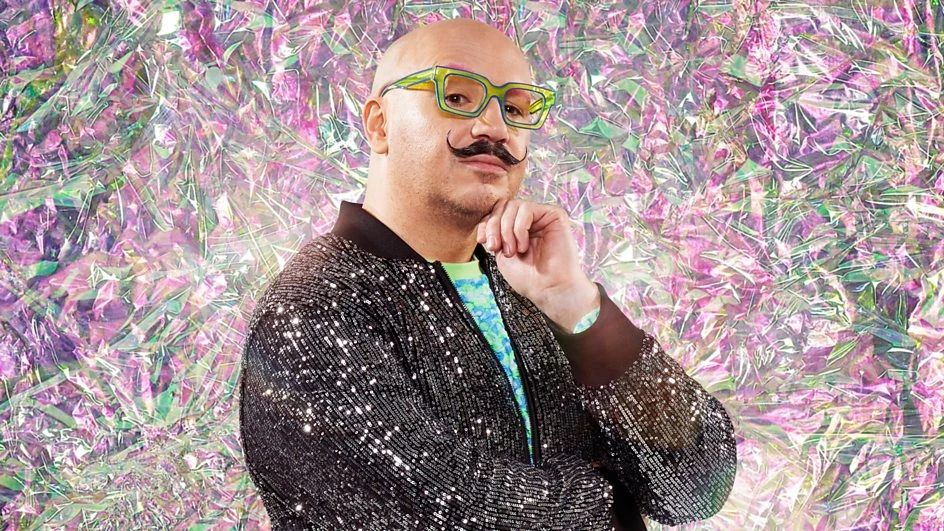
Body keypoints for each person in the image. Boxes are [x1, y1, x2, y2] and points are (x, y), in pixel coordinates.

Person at [239, 18, 737, 530]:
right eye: (456, 97)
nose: (495, 128)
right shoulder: (313, 306)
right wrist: (617, 500)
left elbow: (695, 487)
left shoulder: (529, 287)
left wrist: (574, 304)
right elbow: (450, 513)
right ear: (380, 125)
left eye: (515, 109)